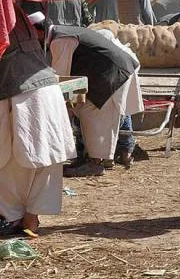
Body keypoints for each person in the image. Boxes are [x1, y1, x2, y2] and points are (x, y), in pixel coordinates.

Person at [0, 5, 75, 236]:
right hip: (45, 87)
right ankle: (30, 218)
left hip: (21, 92)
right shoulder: (12, 8)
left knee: (12, 161)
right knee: (46, 157)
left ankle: (11, 217)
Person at [43, 23, 143, 177]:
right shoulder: (64, 33)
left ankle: (96, 163)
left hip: (112, 74)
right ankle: (92, 158)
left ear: (38, 32)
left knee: (96, 114)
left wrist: (62, 111)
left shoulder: (59, 41)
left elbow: (62, 79)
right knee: (84, 111)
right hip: (103, 72)